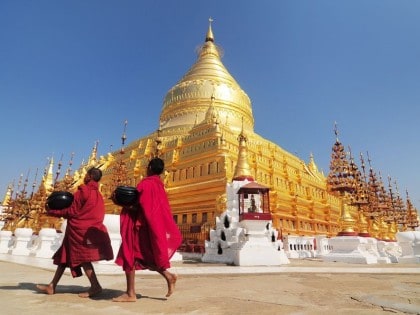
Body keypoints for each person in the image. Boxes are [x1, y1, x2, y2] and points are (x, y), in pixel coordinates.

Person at [36, 167, 114, 297]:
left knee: (83, 258)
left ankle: (95, 286)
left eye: (86, 174)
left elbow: (71, 211)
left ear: (89, 176)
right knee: (64, 256)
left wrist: (52, 212)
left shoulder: (83, 190)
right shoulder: (99, 196)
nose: (84, 176)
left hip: (79, 231)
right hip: (87, 230)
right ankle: (52, 286)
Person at [113, 157, 182, 302]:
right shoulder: (159, 186)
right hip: (149, 227)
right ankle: (169, 276)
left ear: (149, 167)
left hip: (138, 227)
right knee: (143, 257)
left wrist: (119, 202)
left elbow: (139, 207)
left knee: (130, 255)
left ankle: (130, 293)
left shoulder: (146, 184)